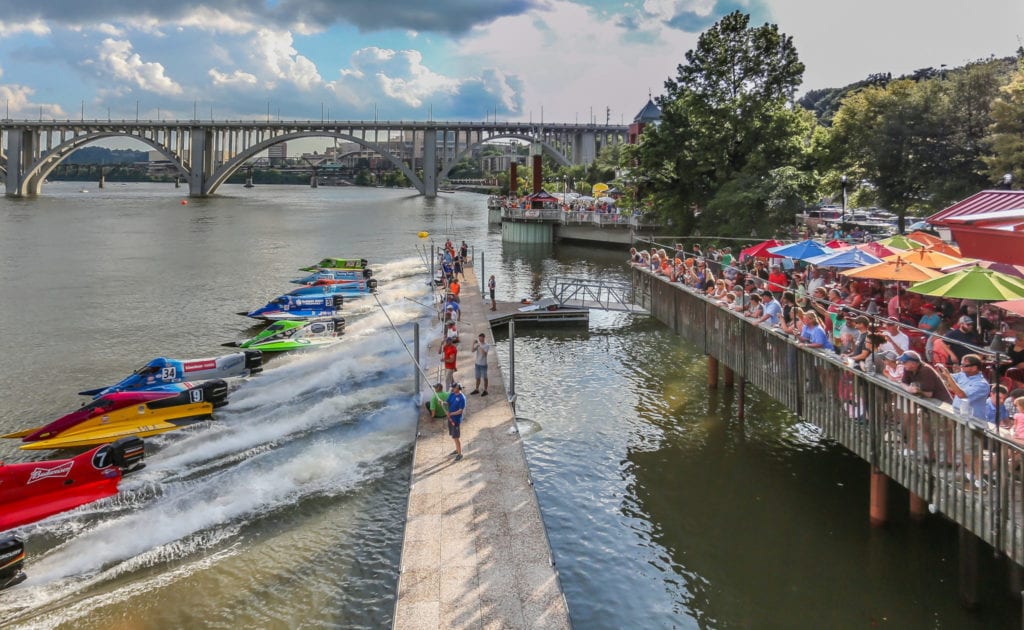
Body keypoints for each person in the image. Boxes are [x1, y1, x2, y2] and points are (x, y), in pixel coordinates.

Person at [936, 353, 989, 419]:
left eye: (964, 365)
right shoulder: (962, 375)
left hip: (973, 420)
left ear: (974, 368)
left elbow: (962, 395)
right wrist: (941, 370)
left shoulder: (981, 384)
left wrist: (948, 377)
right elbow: (946, 378)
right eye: (961, 364)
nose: (961, 367)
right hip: (958, 416)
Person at [446, 382, 466, 461]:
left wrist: (451, 413)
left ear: (457, 389)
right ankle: (457, 449)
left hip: (456, 420)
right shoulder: (452, 394)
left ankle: (460, 454)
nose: (452, 389)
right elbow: (447, 402)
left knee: (456, 437)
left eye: (453, 388)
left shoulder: (462, 398)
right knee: (453, 436)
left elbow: (460, 411)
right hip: (450, 418)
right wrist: (442, 402)